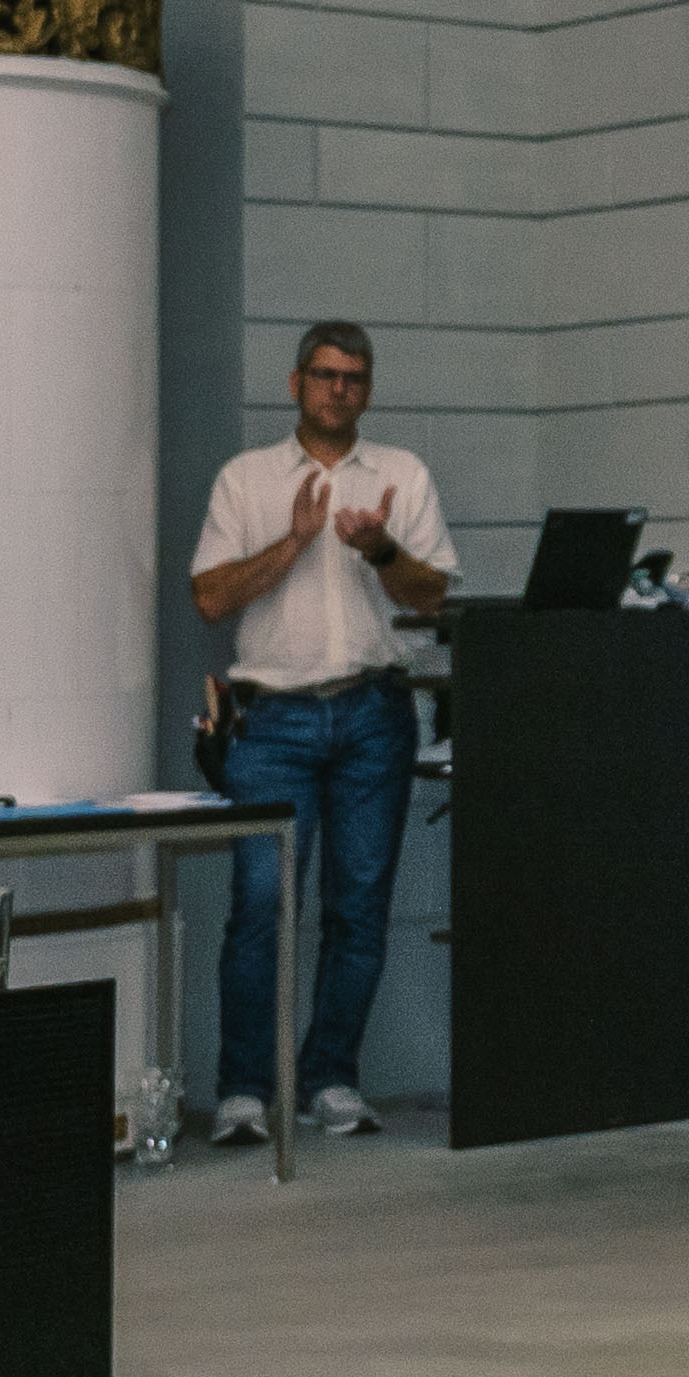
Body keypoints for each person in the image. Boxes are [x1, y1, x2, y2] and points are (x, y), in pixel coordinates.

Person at [184, 321, 447, 1145]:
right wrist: (296, 540)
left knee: (359, 908)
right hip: (272, 722)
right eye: (326, 375)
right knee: (261, 907)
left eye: (354, 378)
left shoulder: (402, 474)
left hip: (373, 713)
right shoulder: (246, 479)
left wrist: (381, 549)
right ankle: (244, 1091)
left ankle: (331, 1079)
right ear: (296, 384)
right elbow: (210, 598)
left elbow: (433, 597)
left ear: (368, 390)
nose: (339, 390)